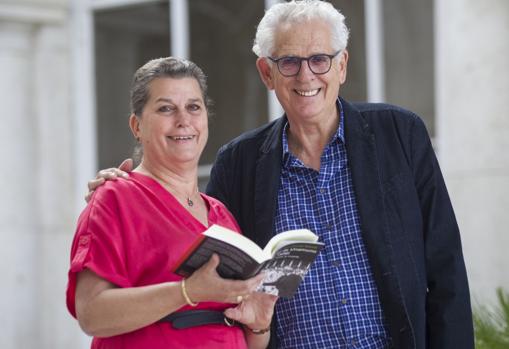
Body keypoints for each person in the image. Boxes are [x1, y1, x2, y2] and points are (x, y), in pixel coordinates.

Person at [87, 1, 474, 348]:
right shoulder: (237, 162)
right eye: (288, 62)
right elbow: (211, 255)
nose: (305, 76)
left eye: (320, 59)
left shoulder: (399, 133)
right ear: (267, 73)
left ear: (341, 65)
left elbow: (445, 267)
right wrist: (129, 185)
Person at [67, 57, 277, 349]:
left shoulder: (220, 213)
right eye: (166, 108)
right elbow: (91, 314)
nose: (184, 120)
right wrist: (187, 291)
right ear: (136, 125)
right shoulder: (114, 198)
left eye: (193, 107)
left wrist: (259, 324)